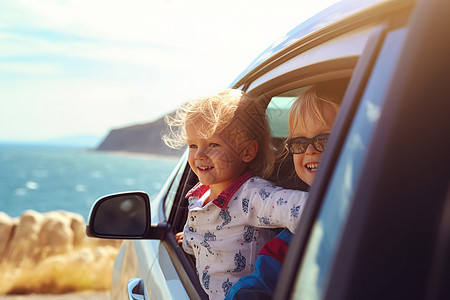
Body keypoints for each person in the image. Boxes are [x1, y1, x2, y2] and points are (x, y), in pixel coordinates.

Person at [163, 89, 309, 300]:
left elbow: (302, 208)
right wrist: (187, 239)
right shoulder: (199, 196)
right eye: (193, 145)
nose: (200, 154)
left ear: (247, 152)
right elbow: (207, 235)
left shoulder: (253, 195)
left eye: (213, 144)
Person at [225, 79, 346, 300]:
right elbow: (261, 281)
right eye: (299, 142)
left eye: (324, 140)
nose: (309, 150)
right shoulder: (293, 233)